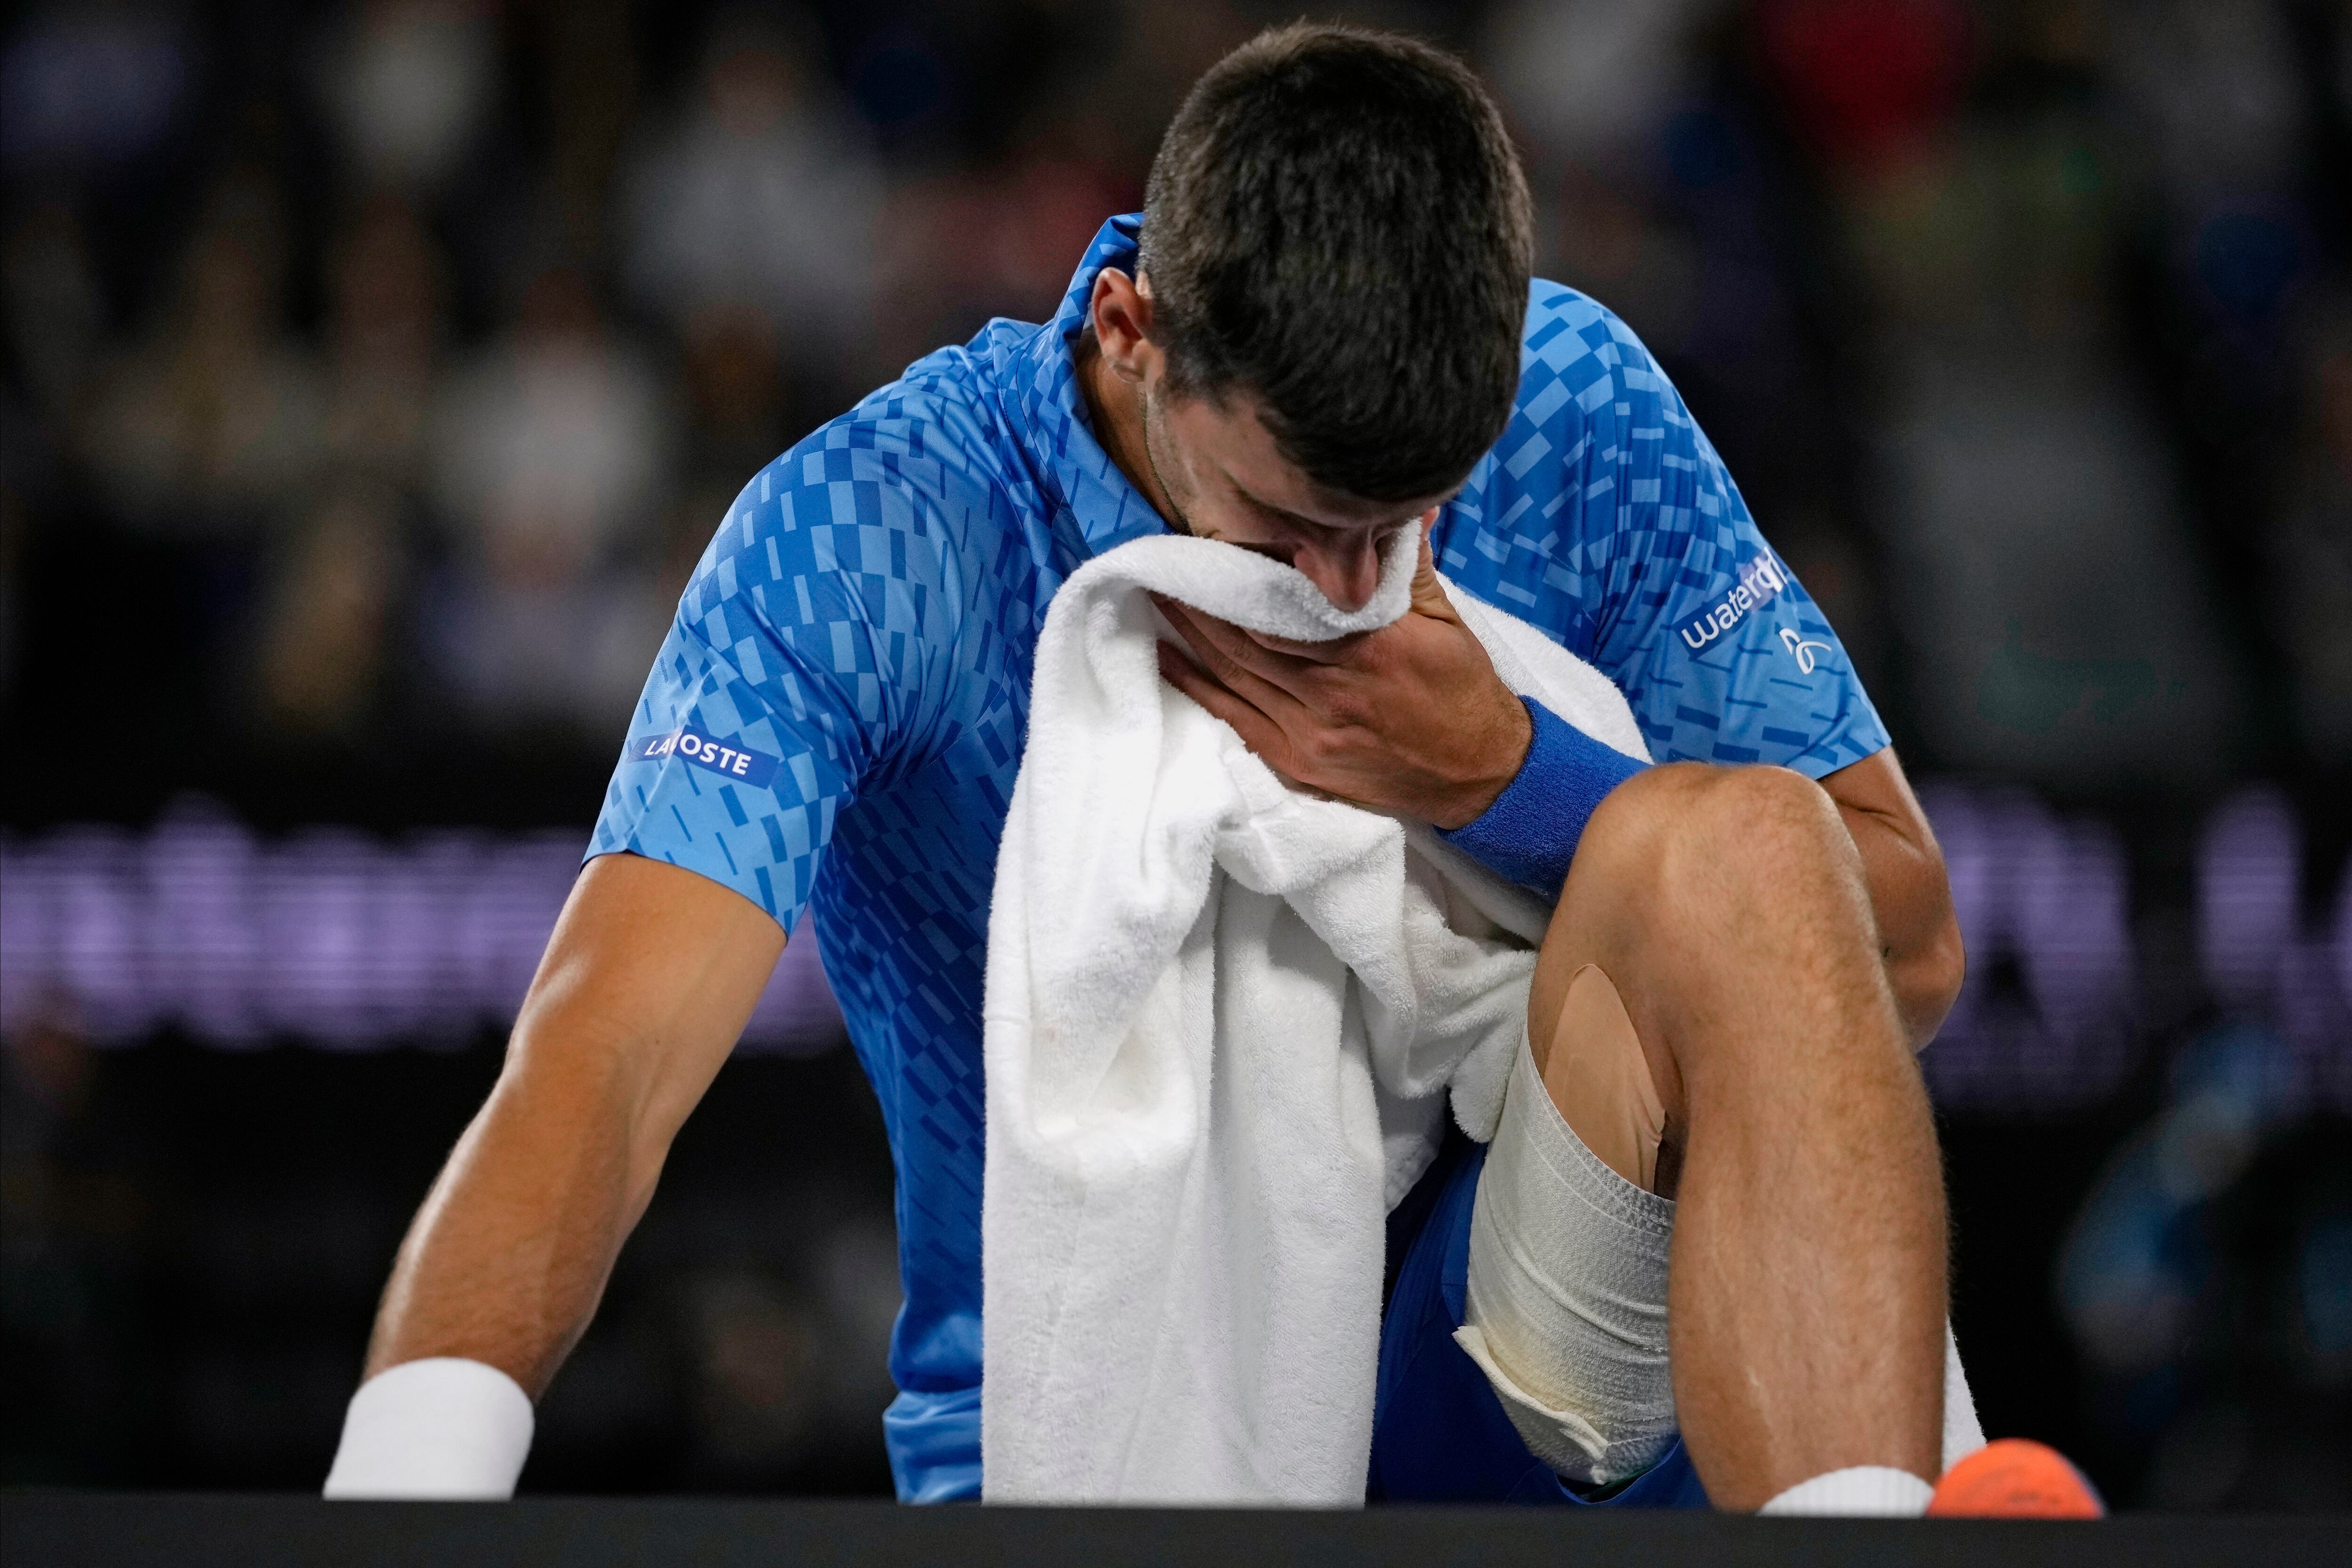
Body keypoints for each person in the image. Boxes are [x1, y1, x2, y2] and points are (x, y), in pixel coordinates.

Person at [328, 24, 2091, 1515]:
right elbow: (609, 1058)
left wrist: (1506, 775)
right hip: (1099, 1430)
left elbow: (1910, 951)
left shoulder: (1583, 405)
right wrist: (403, 1491)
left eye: (1407, 523)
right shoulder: (876, 534)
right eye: (1288, 522)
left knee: (1755, 847)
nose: (1348, 589)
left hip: (1515, 1357)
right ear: (1129, 331)